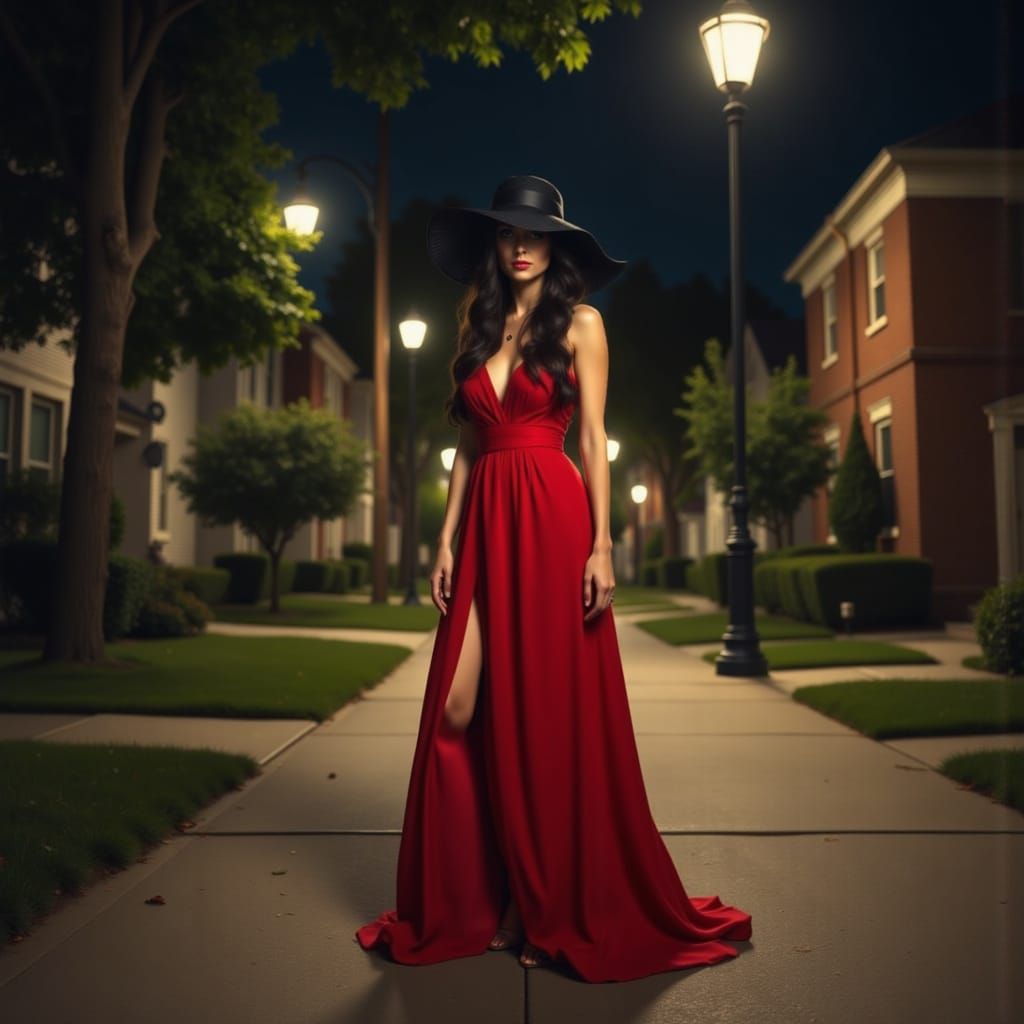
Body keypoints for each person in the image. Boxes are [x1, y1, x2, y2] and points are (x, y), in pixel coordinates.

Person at [354, 175, 752, 982]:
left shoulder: (582, 324)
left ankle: (540, 905)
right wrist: (444, 537)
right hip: (486, 524)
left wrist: (602, 544)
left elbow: (596, 437)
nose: (523, 244)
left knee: (543, 717)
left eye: (537, 233)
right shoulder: (480, 324)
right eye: (508, 233)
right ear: (495, 246)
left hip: (550, 516)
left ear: (559, 246)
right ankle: (476, 895)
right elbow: (469, 446)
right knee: (460, 707)